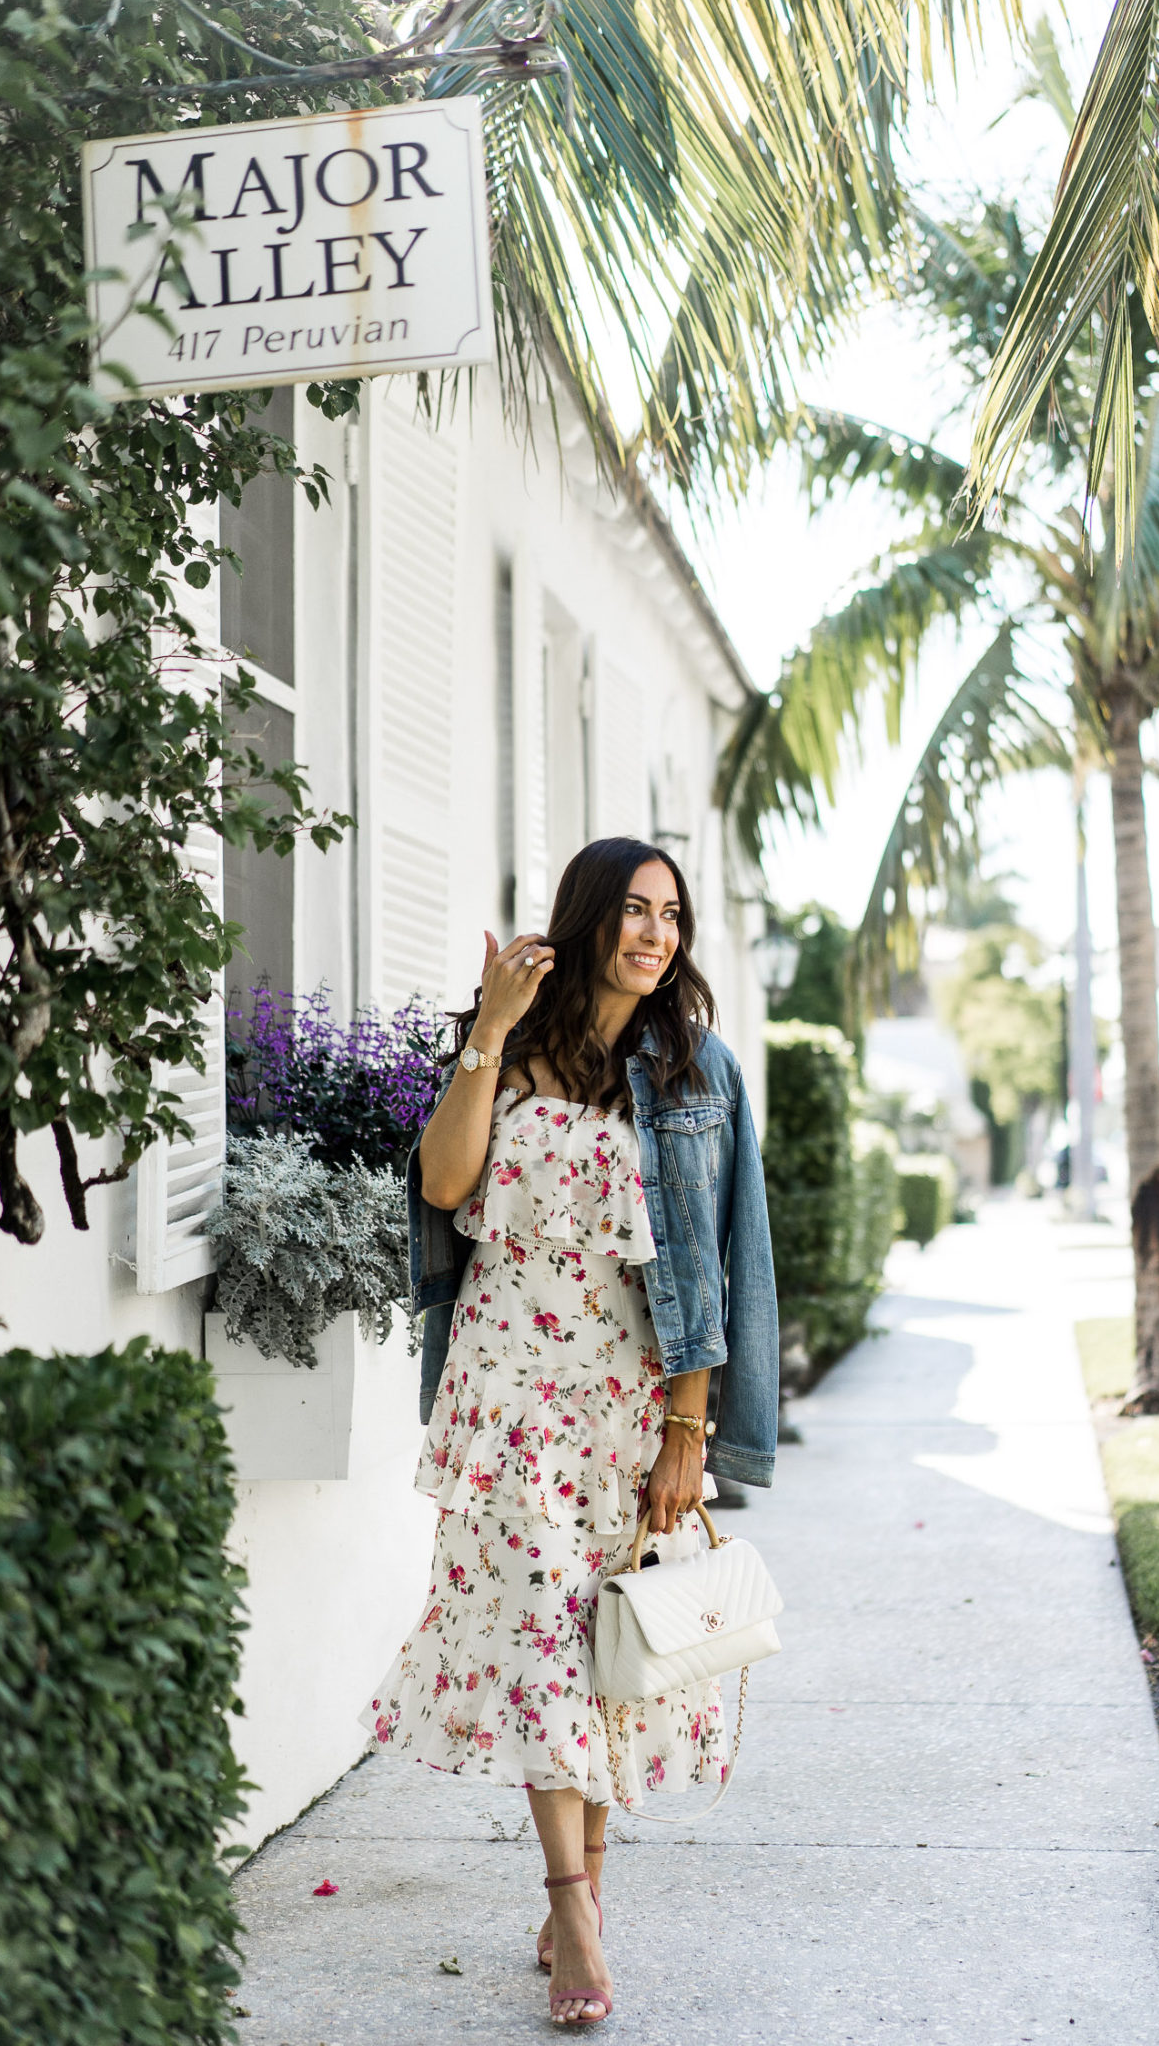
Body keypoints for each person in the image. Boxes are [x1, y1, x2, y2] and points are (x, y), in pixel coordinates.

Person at [361, 836, 778, 2027]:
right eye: (636, 909)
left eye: (672, 915)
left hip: (629, 1396)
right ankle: (575, 1910)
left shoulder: (698, 1071)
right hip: (506, 1394)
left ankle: (579, 1890)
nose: (656, 932)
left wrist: (690, 1422)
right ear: (590, 916)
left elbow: (722, 1254)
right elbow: (444, 1185)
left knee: (603, 1646)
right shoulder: (515, 1045)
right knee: (539, 1632)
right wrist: (490, 1028)